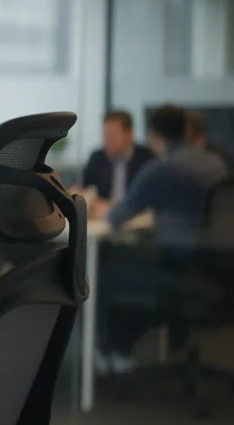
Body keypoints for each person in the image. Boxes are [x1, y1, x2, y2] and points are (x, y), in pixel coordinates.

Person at [99, 105, 229, 373]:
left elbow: (116, 218)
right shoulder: (216, 164)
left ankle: (114, 354)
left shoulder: (161, 169)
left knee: (106, 277)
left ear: (153, 135)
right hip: (219, 271)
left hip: (178, 269)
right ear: (187, 130)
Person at [80, 110, 155, 216]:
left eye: (113, 135)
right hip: (103, 220)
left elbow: (150, 198)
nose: (107, 141)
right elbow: (85, 190)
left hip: (137, 219)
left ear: (129, 134)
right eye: (105, 135)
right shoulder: (97, 158)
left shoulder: (147, 158)